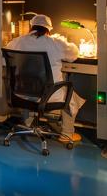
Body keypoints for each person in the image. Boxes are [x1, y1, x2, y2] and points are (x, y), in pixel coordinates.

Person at [5, 14, 85, 143]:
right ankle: (67, 133)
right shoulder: (55, 42)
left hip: (22, 93)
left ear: (31, 27)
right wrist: (61, 39)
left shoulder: (17, 41)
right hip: (48, 95)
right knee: (71, 97)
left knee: (28, 84)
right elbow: (74, 54)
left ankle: (27, 124)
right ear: (49, 29)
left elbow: (5, 59)